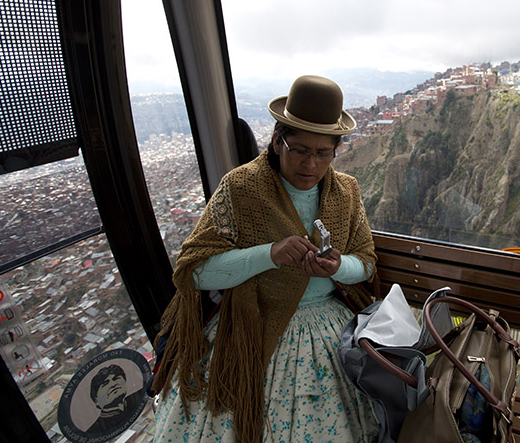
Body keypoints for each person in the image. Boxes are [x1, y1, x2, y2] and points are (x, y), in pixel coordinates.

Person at [151, 75, 379, 443]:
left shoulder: (346, 192)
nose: (311, 164)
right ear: (277, 141)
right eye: (300, 150)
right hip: (248, 322)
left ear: (335, 152)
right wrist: (269, 254)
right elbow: (193, 271)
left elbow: (366, 263)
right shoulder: (240, 188)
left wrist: (339, 266)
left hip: (329, 325)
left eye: (323, 153)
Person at [86, 364, 143, 434]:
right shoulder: (94, 431)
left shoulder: (140, 396)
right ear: (96, 400)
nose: (113, 384)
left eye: (116, 378)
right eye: (105, 384)